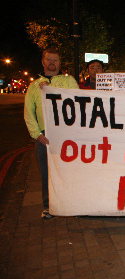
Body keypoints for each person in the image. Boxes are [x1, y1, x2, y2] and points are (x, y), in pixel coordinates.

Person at [24, 48, 79, 219]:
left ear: (60, 63)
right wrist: (37, 134)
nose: (52, 63)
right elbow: (29, 112)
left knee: (69, 170)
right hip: (44, 136)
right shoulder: (34, 86)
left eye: (55, 60)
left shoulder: (68, 81)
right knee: (46, 173)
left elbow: (78, 101)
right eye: (49, 59)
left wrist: (50, 90)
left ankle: (71, 204)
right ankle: (48, 206)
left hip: (66, 135)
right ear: (43, 61)